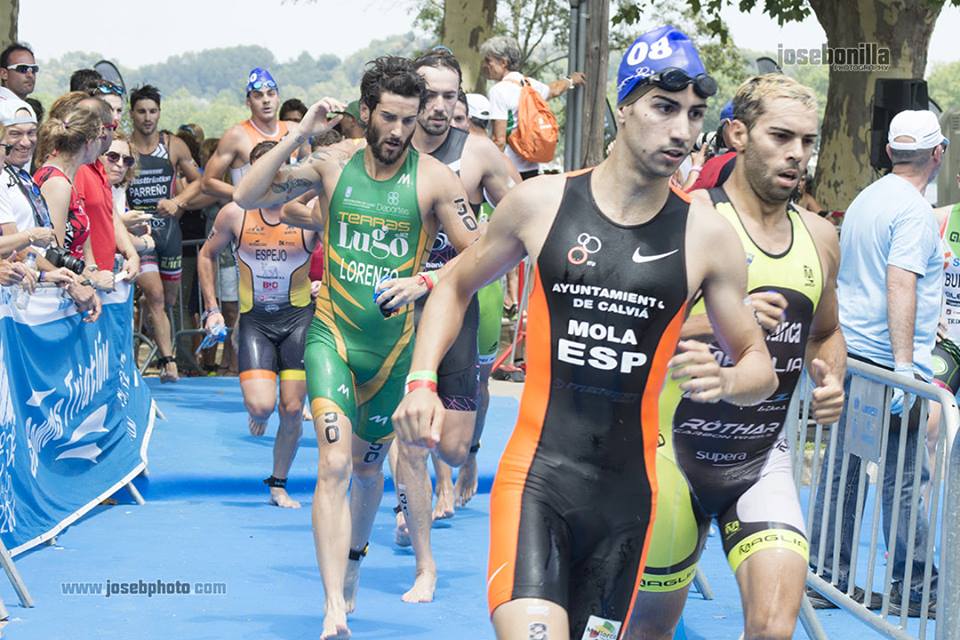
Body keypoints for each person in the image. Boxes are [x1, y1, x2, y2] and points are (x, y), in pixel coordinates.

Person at [392, 26, 778, 640]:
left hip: (628, 501)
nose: (682, 130)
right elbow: (455, 286)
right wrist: (420, 381)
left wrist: (729, 377)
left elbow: (761, 367)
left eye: (695, 114)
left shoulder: (706, 236)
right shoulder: (541, 204)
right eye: (663, 107)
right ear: (623, 107)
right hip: (538, 479)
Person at [234, 56, 480, 639]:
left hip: (393, 354)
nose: (398, 131)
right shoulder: (332, 164)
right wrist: (299, 133)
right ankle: (332, 608)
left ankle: (352, 568)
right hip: (332, 338)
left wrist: (425, 280)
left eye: (409, 120)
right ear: (366, 112)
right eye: (388, 118)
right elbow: (248, 195)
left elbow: (483, 258)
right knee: (335, 463)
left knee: (372, 474)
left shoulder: (435, 181)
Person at [627, 74, 845, 640]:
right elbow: (630, 329)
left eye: (808, 141)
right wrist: (727, 317)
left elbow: (825, 331)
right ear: (738, 134)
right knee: (646, 630)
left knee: (774, 627)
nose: (797, 154)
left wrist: (831, 376)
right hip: (668, 454)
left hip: (757, 457)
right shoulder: (686, 218)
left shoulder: (820, 237)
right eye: (781, 137)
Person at [808, 109, 946, 617]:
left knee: (842, 471)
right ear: (937, 154)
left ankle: (825, 574)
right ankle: (913, 585)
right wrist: (907, 367)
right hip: (886, 364)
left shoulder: (869, 198)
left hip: (855, 354)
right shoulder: (912, 210)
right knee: (905, 477)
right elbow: (900, 281)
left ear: (889, 152)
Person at [199, 140, 318, 508]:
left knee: (294, 409)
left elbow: (338, 248)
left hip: (298, 319)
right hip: (256, 323)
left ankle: (278, 483)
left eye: (279, 169)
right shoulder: (235, 214)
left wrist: (325, 282)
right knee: (262, 407)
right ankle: (259, 408)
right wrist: (212, 309)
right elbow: (206, 256)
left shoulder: (306, 212)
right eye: (263, 170)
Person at [127, 84, 204, 383]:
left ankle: (149, 311)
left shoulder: (172, 145)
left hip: (169, 233)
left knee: (166, 299)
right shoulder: (124, 147)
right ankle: (167, 361)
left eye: (153, 111)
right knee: (157, 295)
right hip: (139, 235)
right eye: (142, 111)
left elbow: (201, 180)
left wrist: (178, 202)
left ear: (159, 113)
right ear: (131, 113)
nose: (148, 117)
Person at [0, 98, 100, 318]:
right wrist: (70, 281)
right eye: (15, 134)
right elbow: (17, 247)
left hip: (27, 293)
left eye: (31, 133)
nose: (25, 142)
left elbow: (38, 247)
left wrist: (58, 277)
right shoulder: (6, 178)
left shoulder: (21, 175)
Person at [480, 34, 585, 179]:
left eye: (488, 60)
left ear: (503, 62)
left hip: (510, 168)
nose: (485, 66)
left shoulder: (498, 91)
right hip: (532, 165)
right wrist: (571, 80)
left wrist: (486, 171)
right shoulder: (529, 84)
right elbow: (554, 90)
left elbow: (499, 140)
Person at [201, 68, 294, 201]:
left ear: (278, 98)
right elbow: (207, 183)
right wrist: (245, 193)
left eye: (271, 94)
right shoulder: (236, 135)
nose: (266, 100)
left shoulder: (295, 131)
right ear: (248, 102)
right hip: (251, 217)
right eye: (258, 95)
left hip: (289, 218)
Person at [74, 96, 140, 278]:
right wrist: (91, 270)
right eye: (113, 157)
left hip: (107, 274)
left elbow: (111, 216)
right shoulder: (78, 168)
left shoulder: (98, 169)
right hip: (85, 279)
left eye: (127, 160)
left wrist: (131, 253)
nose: (120, 164)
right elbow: (77, 222)